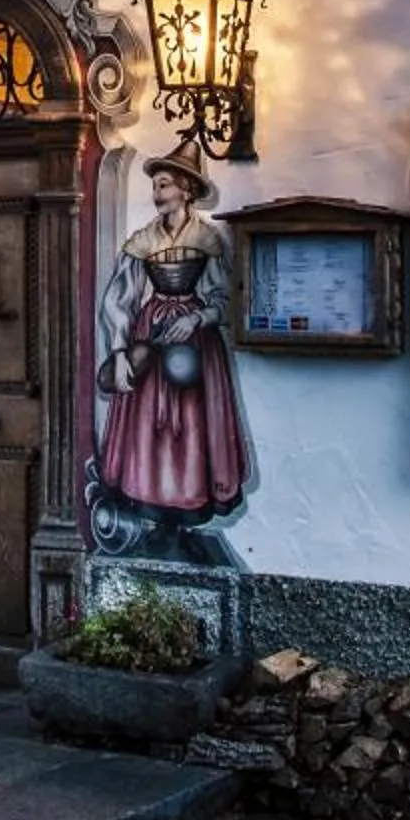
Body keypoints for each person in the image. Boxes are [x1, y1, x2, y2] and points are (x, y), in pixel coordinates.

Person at [95, 151, 251, 551]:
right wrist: (118, 350)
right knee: (149, 421)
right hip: (153, 331)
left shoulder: (207, 239)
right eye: (155, 184)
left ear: (186, 190)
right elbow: (119, 297)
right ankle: (152, 505)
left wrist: (198, 319)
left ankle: (188, 507)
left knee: (192, 419)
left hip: (194, 339)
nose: (156, 192)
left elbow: (226, 296)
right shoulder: (144, 240)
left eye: (164, 184)